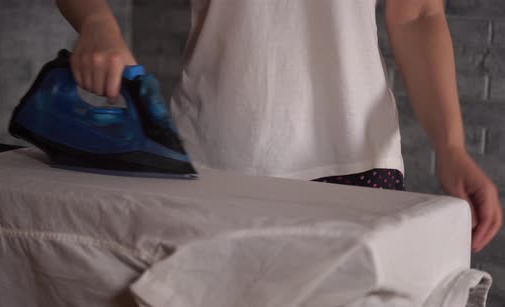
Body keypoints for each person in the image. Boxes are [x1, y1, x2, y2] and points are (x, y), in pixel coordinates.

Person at [56, 0, 502, 253]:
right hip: (222, 161)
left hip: (359, 162)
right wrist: (97, 22)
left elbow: (418, 13)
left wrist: (451, 146)